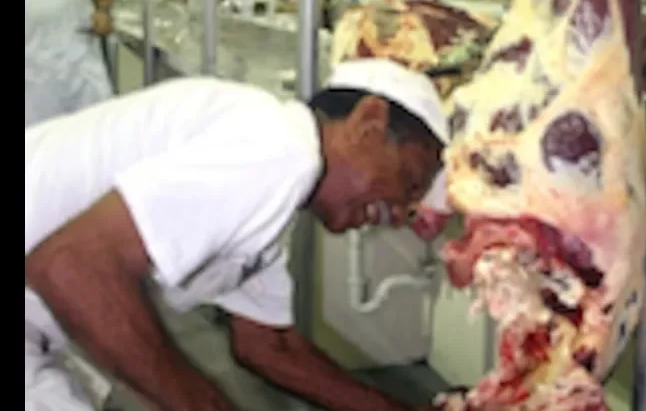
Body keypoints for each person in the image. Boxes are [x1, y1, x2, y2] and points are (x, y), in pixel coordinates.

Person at [25, 59, 447, 411]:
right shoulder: (280, 150)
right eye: (409, 181)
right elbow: (68, 267)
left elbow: (268, 346)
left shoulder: (272, 173)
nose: (399, 214)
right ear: (369, 122)